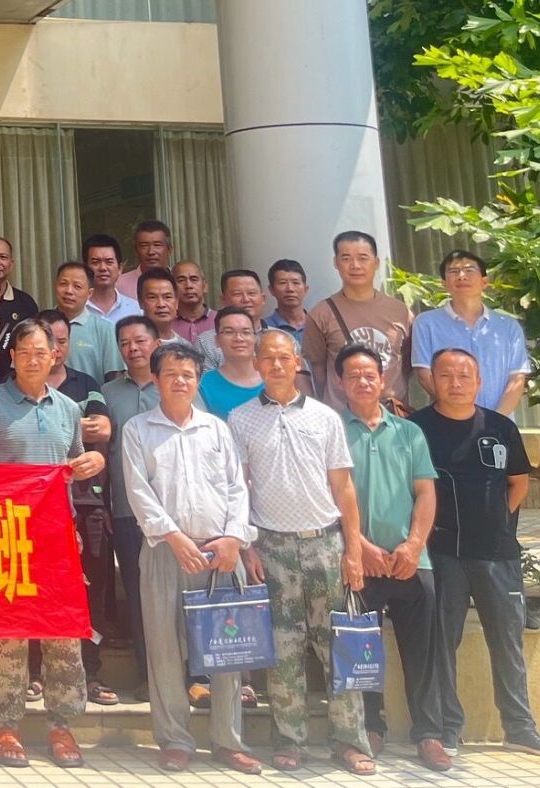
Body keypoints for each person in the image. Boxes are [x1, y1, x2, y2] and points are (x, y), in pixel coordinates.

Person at [230, 328, 374, 775]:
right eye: (267, 358)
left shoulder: (325, 417)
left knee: (337, 646)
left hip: (325, 544)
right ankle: (289, 741)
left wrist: (353, 550)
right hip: (270, 547)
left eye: (284, 357)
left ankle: (350, 741)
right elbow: (238, 488)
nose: (276, 365)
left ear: (297, 363)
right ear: (256, 364)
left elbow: (344, 488)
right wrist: (247, 546)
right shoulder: (240, 419)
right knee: (283, 649)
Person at [410, 348, 540, 760]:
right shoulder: (416, 429)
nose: (456, 383)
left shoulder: (500, 427)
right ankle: (448, 729)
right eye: (446, 375)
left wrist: (496, 522)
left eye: (465, 375)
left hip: (497, 555)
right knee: (442, 643)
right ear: (432, 381)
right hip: (442, 554)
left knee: (507, 641)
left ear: (479, 382)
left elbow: (518, 483)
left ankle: (520, 729)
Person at [0, 320, 106, 769]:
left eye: (40, 351)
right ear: (12, 357)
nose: (32, 359)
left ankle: (62, 725)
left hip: (57, 534)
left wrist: (90, 461)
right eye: (23, 351)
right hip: (6, 533)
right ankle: (6, 724)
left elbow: (71, 463)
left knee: (62, 631)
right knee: (8, 632)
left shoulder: (67, 408)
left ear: (54, 356)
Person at [118, 340, 261, 775]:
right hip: (165, 552)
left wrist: (234, 539)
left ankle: (228, 741)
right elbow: (138, 490)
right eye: (171, 374)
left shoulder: (217, 429)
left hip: (221, 553)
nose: (180, 381)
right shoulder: (138, 430)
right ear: (156, 379)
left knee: (227, 650)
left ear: (198, 381)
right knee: (164, 649)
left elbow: (238, 487)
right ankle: (175, 740)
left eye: (188, 375)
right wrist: (173, 536)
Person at [336, 345, 454, 771]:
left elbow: (425, 492)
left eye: (370, 374)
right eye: (353, 375)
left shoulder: (409, 433)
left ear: (382, 380)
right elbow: (329, 496)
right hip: (359, 562)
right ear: (340, 383)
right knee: (361, 649)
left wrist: (414, 544)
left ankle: (429, 733)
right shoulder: (332, 431)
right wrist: (359, 546)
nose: (363, 381)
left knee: (424, 651)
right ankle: (371, 728)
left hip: (410, 562)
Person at [41, 311, 117, 706]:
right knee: (38, 590)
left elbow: (101, 428)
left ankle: (92, 672)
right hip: (35, 508)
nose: (54, 348)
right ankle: (37, 672)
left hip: (86, 503)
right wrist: (78, 426)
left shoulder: (85, 383)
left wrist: (69, 428)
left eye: (61, 340)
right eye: (47, 340)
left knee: (91, 591)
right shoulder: (7, 389)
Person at [101, 316, 161, 697]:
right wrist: (105, 502)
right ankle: (147, 675)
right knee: (140, 596)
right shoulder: (107, 393)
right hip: (126, 510)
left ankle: (194, 677)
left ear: (156, 343)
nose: (133, 348)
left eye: (140, 340)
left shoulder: (178, 385)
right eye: (124, 343)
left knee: (180, 596)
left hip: (177, 514)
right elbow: (103, 454)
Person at [412, 251, 532, 416]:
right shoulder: (426, 323)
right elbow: (425, 374)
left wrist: (497, 420)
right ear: (443, 283)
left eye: (469, 270)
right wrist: (460, 414)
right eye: (453, 271)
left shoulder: (508, 326)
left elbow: (517, 379)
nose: (461, 276)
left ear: (484, 282)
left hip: (500, 423)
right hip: (448, 421)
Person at [303, 231, 413, 409]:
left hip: (392, 415)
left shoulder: (400, 311)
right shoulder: (321, 314)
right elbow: (318, 369)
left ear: (376, 263)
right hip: (343, 416)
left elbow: (407, 363)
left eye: (363, 258)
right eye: (346, 258)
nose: (355, 265)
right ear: (336, 262)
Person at [54, 260, 118, 383]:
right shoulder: (39, 325)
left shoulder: (105, 329)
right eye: (63, 284)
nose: (69, 291)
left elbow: (114, 379)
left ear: (89, 293)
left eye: (77, 286)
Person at [198, 307, 264, 418]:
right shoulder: (203, 385)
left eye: (246, 332)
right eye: (229, 332)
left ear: (255, 338)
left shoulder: (273, 376)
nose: (239, 338)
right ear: (217, 340)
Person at [196, 270, 266, 368]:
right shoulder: (206, 342)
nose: (246, 299)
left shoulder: (281, 337)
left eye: (251, 293)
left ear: (263, 298)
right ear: (223, 300)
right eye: (237, 294)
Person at [82, 234, 143, 325]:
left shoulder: (134, 309)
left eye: (109, 262)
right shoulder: (76, 308)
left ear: (120, 269)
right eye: (95, 262)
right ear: (84, 268)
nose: (103, 268)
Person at [118, 220, 174, 300]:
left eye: (157, 245)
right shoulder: (119, 285)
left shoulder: (179, 280)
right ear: (135, 251)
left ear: (169, 249)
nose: (151, 252)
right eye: (144, 246)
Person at [169, 261, 214, 345]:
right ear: (171, 287)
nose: (189, 286)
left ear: (205, 286)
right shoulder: (166, 324)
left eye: (194, 279)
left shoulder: (220, 321)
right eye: (181, 280)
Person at [265, 259, 311, 341]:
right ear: (271, 290)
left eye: (296, 283)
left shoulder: (318, 325)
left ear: (305, 289)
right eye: (282, 283)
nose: (290, 289)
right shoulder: (264, 328)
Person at [136, 266, 179, 341]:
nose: (161, 304)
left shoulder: (185, 346)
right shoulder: (129, 343)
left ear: (177, 302)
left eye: (167, 297)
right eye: (152, 297)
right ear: (140, 302)